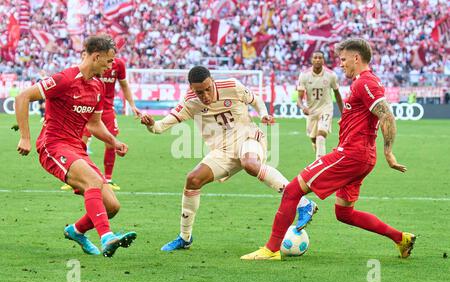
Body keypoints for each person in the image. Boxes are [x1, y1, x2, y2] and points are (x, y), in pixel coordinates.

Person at [241, 38, 415, 261]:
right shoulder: (365, 81)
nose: (341, 64)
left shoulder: (365, 83)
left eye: (343, 60)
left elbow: (387, 114)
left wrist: (389, 152)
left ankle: (271, 249)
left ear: (356, 58)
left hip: (351, 154)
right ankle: (401, 238)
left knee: (293, 190)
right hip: (361, 157)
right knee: (344, 213)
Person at [140, 65, 315, 251]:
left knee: (250, 163)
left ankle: (303, 204)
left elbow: (256, 100)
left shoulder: (232, 86)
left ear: (212, 81)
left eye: (208, 88)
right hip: (223, 151)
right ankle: (185, 238)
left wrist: (263, 114)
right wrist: (151, 124)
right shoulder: (190, 102)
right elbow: (159, 127)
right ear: (192, 89)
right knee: (193, 179)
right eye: (200, 92)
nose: (205, 95)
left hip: (249, 138)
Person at [15, 35, 137, 257]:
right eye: (109, 61)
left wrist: (114, 141)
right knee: (92, 182)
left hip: (76, 149)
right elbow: (23, 97)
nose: (111, 67)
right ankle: (107, 238)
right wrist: (25, 137)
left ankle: (76, 231)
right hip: (53, 146)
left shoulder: (98, 86)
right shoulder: (65, 79)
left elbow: (94, 124)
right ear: (96, 56)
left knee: (112, 206)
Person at [61, 56, 141, 191]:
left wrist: (132, 105)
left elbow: (124, 85)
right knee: (80, 142)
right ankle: (75, 177)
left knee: (111, 142)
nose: (109, 65)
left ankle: (108, 179)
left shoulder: (118, 65)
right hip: (89, 107)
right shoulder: (90, 65)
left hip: (107, 109)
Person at [297, 51, 343, 160]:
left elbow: (337, 94)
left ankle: (320, 163)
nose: (318, 60)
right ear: (312, 60)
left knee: (321, 136)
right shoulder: (304, 76)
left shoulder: (331, 75)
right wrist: (303, 107)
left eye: (320, 58)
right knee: (313, 138)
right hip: (311, 111)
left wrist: (343, 113)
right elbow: (299, 98)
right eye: (315, 57)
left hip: (326, 109)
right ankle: (316, 149)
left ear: (323, 60)